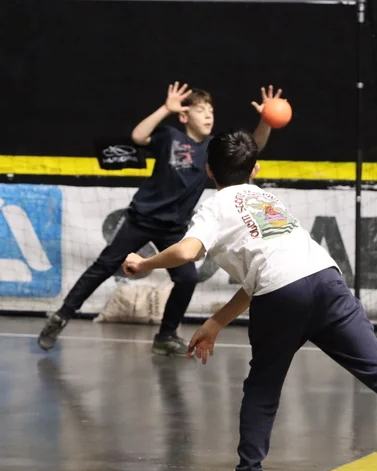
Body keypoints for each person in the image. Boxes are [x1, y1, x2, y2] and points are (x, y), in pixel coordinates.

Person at [122, 129, 377, 471]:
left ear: (208, 170)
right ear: (255, 169)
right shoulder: (267, 200)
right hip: (325, 278)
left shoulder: (215, 206)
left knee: (262, 390)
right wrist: (216, 322)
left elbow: (187, 252)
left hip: (280, 296)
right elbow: (265, 273)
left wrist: (144, 263)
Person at [38, 82, 280, 355]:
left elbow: (252, 149)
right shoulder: (170, 136)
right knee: (104, 266)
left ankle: (166, 335)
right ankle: (61, 316)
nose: (208, 115)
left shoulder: (212, 149)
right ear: (184, 116)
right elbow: (138, 136)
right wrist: (166, 108)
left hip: (174, 229)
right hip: (141, 219)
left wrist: (266, 120)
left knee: (187, 278)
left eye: (211, 110)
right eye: (200, 110)